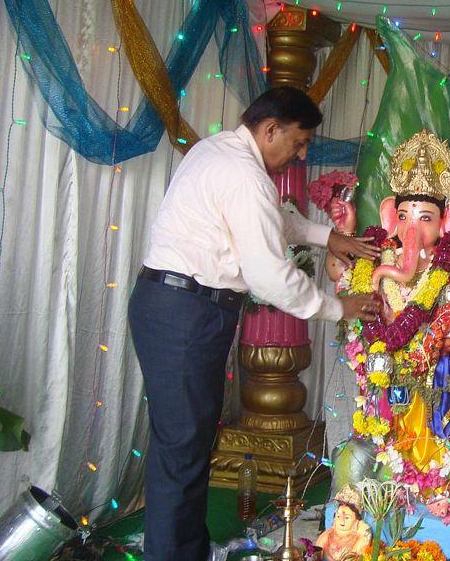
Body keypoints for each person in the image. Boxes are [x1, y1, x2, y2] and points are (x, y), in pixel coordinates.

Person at [127, 86, 381, 560]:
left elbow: (275, 220)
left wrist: (329, 238)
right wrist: (338, 307)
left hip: (173, 305)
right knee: (183, 448)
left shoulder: (218, 150)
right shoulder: (245, 175)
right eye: (299, 141)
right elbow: (270, 275)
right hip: (185, 312)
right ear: (270, 130)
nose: (301, 153)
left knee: (185, 443)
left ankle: (184, 550)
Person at [315, 484, 372, 560]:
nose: (341, 521)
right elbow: (316, 553)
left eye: (347, 518)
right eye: (338, 516)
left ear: (356, 521)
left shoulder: (358, 537)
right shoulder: (327, 535)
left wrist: (364, 531)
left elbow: (356, 556)